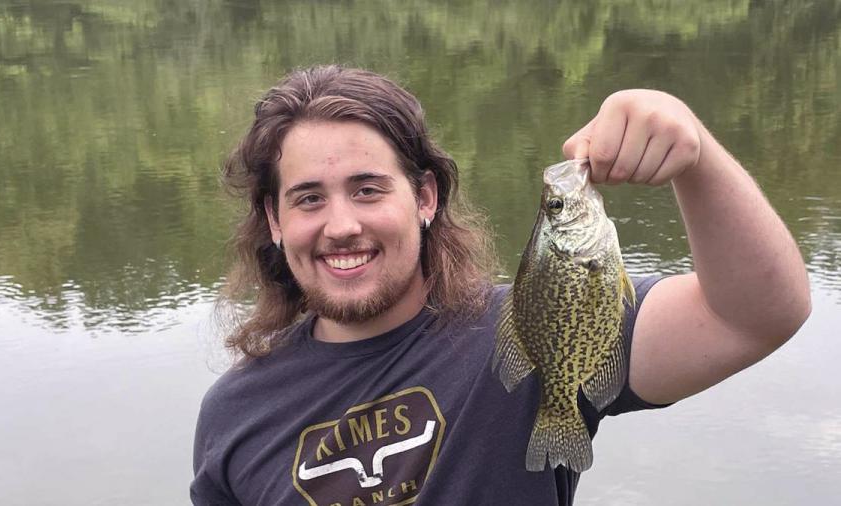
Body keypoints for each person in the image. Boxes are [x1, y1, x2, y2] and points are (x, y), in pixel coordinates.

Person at [191, 65, 810, 506]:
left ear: (425, 197)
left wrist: (696, 160)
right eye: (307, 199)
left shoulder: (534, 324)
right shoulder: (234, 415)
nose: (342, 225)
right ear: (275, 222)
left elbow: (754, 318)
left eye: (368, 188)